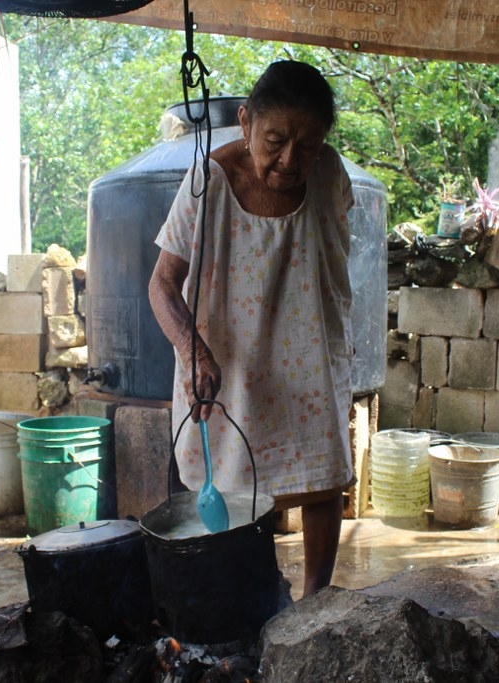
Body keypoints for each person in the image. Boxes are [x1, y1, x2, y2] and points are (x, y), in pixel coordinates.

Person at [148, 60, 354, 597]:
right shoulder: (206, 182)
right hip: (227, 360)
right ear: (244, 121)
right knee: (230, 479)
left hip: (310, 353)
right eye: (276, 140)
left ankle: (315, 601)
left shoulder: (330, 175)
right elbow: (162, 285)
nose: (290, 160)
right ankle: (238, 596)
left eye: (307, 145)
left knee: (322, 478)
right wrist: (192, 352)